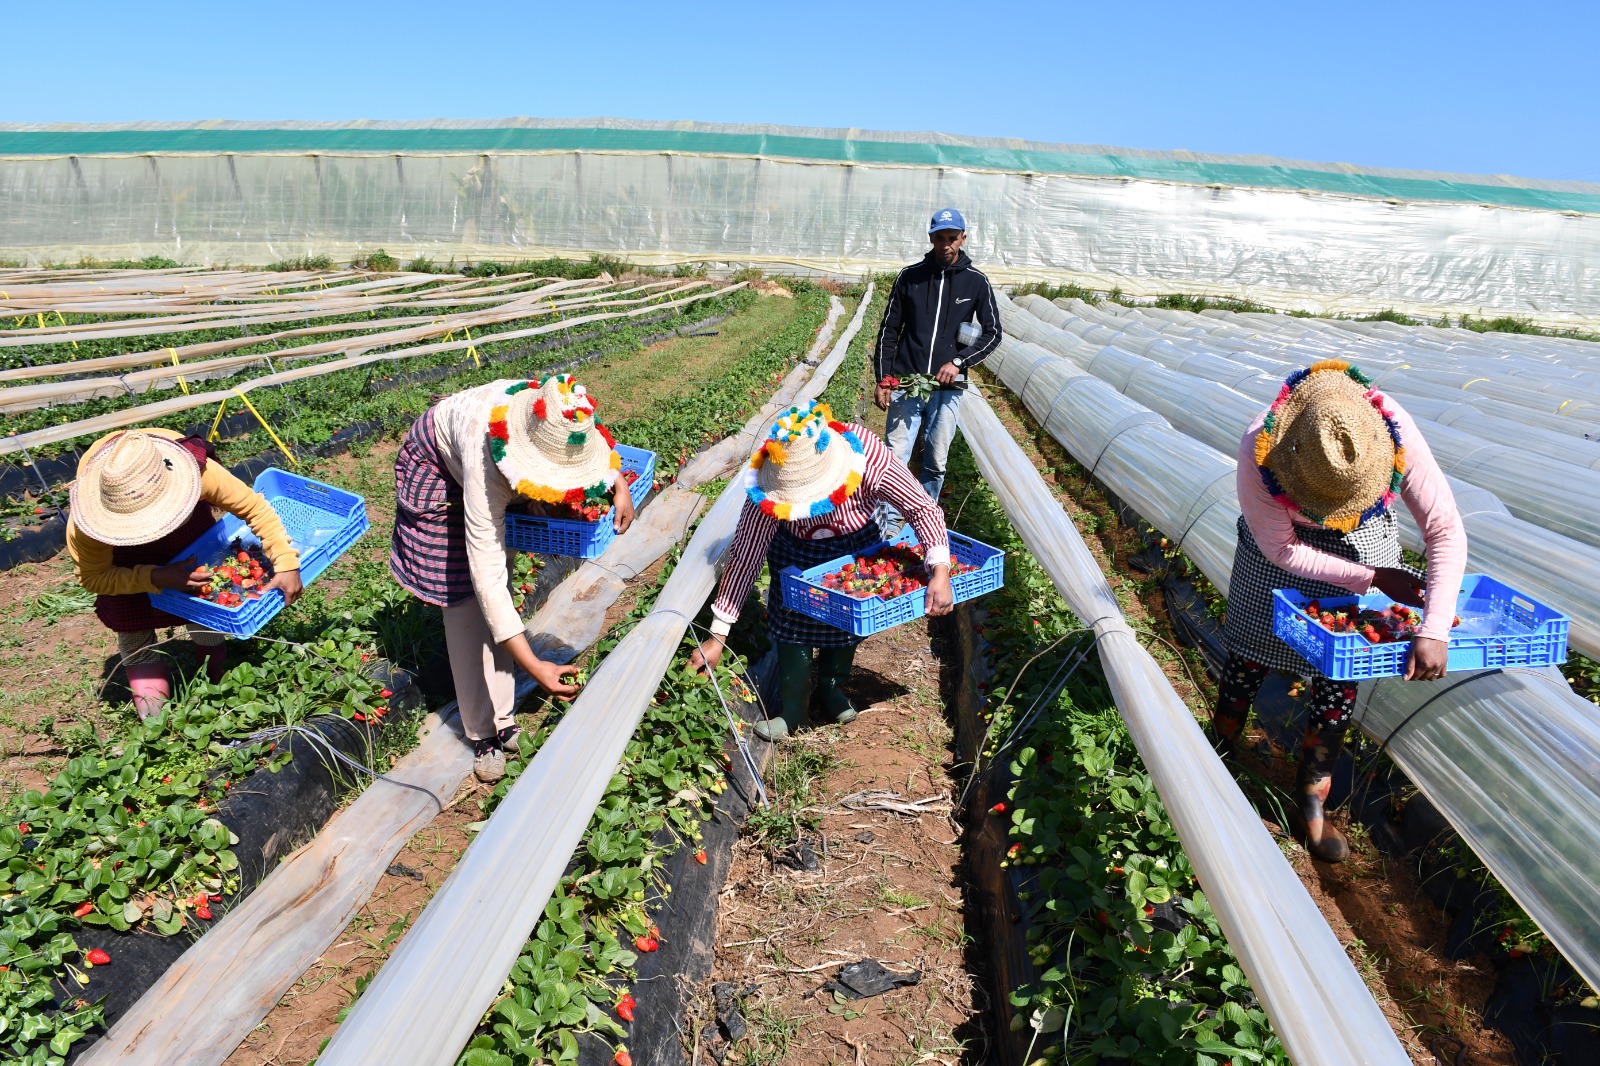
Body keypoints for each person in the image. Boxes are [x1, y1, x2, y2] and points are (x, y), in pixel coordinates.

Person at [1214, 360, 1466, 862]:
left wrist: (1435, 626)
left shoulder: (1391, 430)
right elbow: (1282, 551)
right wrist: (1374, 579)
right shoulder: (1260, 446)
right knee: (1249, 654)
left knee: (1339, 674)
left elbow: (1444, 529)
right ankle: (1218, 749)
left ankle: (1312, 799)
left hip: (1363, 545)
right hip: (1281, 560)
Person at [391, 373, 635, 782]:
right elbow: (485, 577)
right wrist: (535, 665)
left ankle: (504, 718)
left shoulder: (555, 411)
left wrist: (619, 483)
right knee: (467, 598)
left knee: (500, 581)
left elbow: (588, 448)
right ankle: (483, 733)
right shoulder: (484, 461)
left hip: (490, 464)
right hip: (440, 468)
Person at [689, 400, 954, 741]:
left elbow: (921, 508)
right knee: (791, 624)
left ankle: (831, 687)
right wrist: (718, 634)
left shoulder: (869, 457)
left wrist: (940, 570)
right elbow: (746, 555)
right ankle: (794, 710)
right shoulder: (773, 479)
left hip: (857, 545)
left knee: (847, 622)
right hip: (796, 552)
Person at [66, 429, 305, 717]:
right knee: (133, 629)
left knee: (204, 609)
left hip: (190, 539)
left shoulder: (197, 472)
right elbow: (94, 577)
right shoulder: (90, 525)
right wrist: (155, 577)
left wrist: (285, 561)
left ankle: (221, 687)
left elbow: (254, 508)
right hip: (124, 562)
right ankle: (154, 724)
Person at [872, 206, 1002, 529]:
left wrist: (959, 362)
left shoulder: (975, 283)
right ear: (931, 238)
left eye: (952, 238)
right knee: (894, 457)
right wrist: (885, 378)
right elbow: (889, 330)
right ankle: (888, 528)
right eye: (940, 238)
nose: (946, 244)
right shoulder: (910, 277)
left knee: (936, 460)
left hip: (948, 388)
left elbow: (993, 332)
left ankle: (924, 524)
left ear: (963, 238)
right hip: (906, 381)